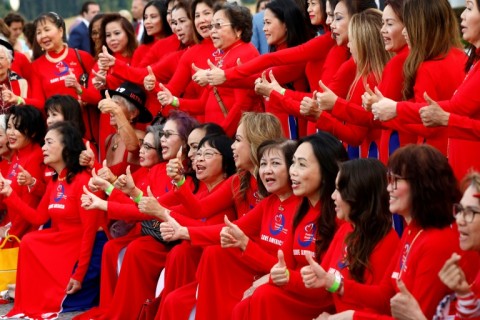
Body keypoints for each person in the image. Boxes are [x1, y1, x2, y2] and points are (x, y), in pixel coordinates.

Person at [304, 144, 476, 319]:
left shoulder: (436, 243)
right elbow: (384, 295)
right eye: (389, 180)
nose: (388, 189)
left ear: (422, 185)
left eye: (396, 180)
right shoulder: (413, 231)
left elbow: (416, 316)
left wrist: (351, 317)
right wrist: (332, 283)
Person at [0, 122, 104, 319]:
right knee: (30, 241)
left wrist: (79, 275)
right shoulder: (56, 181)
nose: (43, 148)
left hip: (84, 251)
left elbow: (90, 232)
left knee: (34, 244)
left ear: (66, 147)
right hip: (64, 244)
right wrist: (10, 194)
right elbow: (39, 218)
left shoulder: (83, 181)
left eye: (48, 143)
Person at [375, 0, 480, 181]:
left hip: (442, 163)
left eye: (408, 25)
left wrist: (393, 111)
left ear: (420, 27)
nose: (405, 32)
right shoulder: (462, 57)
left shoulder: (425, 67)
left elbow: (441, 117)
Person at [300, 158, 399, 317]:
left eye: (339, 190)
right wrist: (287, 277)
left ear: (357, 194)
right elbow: (324, 284)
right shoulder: (347, 229)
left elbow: (381, 304)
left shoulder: (387, 241)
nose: (333, 196)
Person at [389, 172, 480, 319]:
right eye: (460, 210)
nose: (459, 220)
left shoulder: (436, 243)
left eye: (470, 212)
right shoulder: (410, 232)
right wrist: (463, 294)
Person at [1, 106, 46, 241]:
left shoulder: (35, 157)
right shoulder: (18, 154)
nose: (11, 133)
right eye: (9, 127)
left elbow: (29, 207)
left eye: (17, 128)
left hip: (25, 236)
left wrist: (10, 235)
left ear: (32, 132)